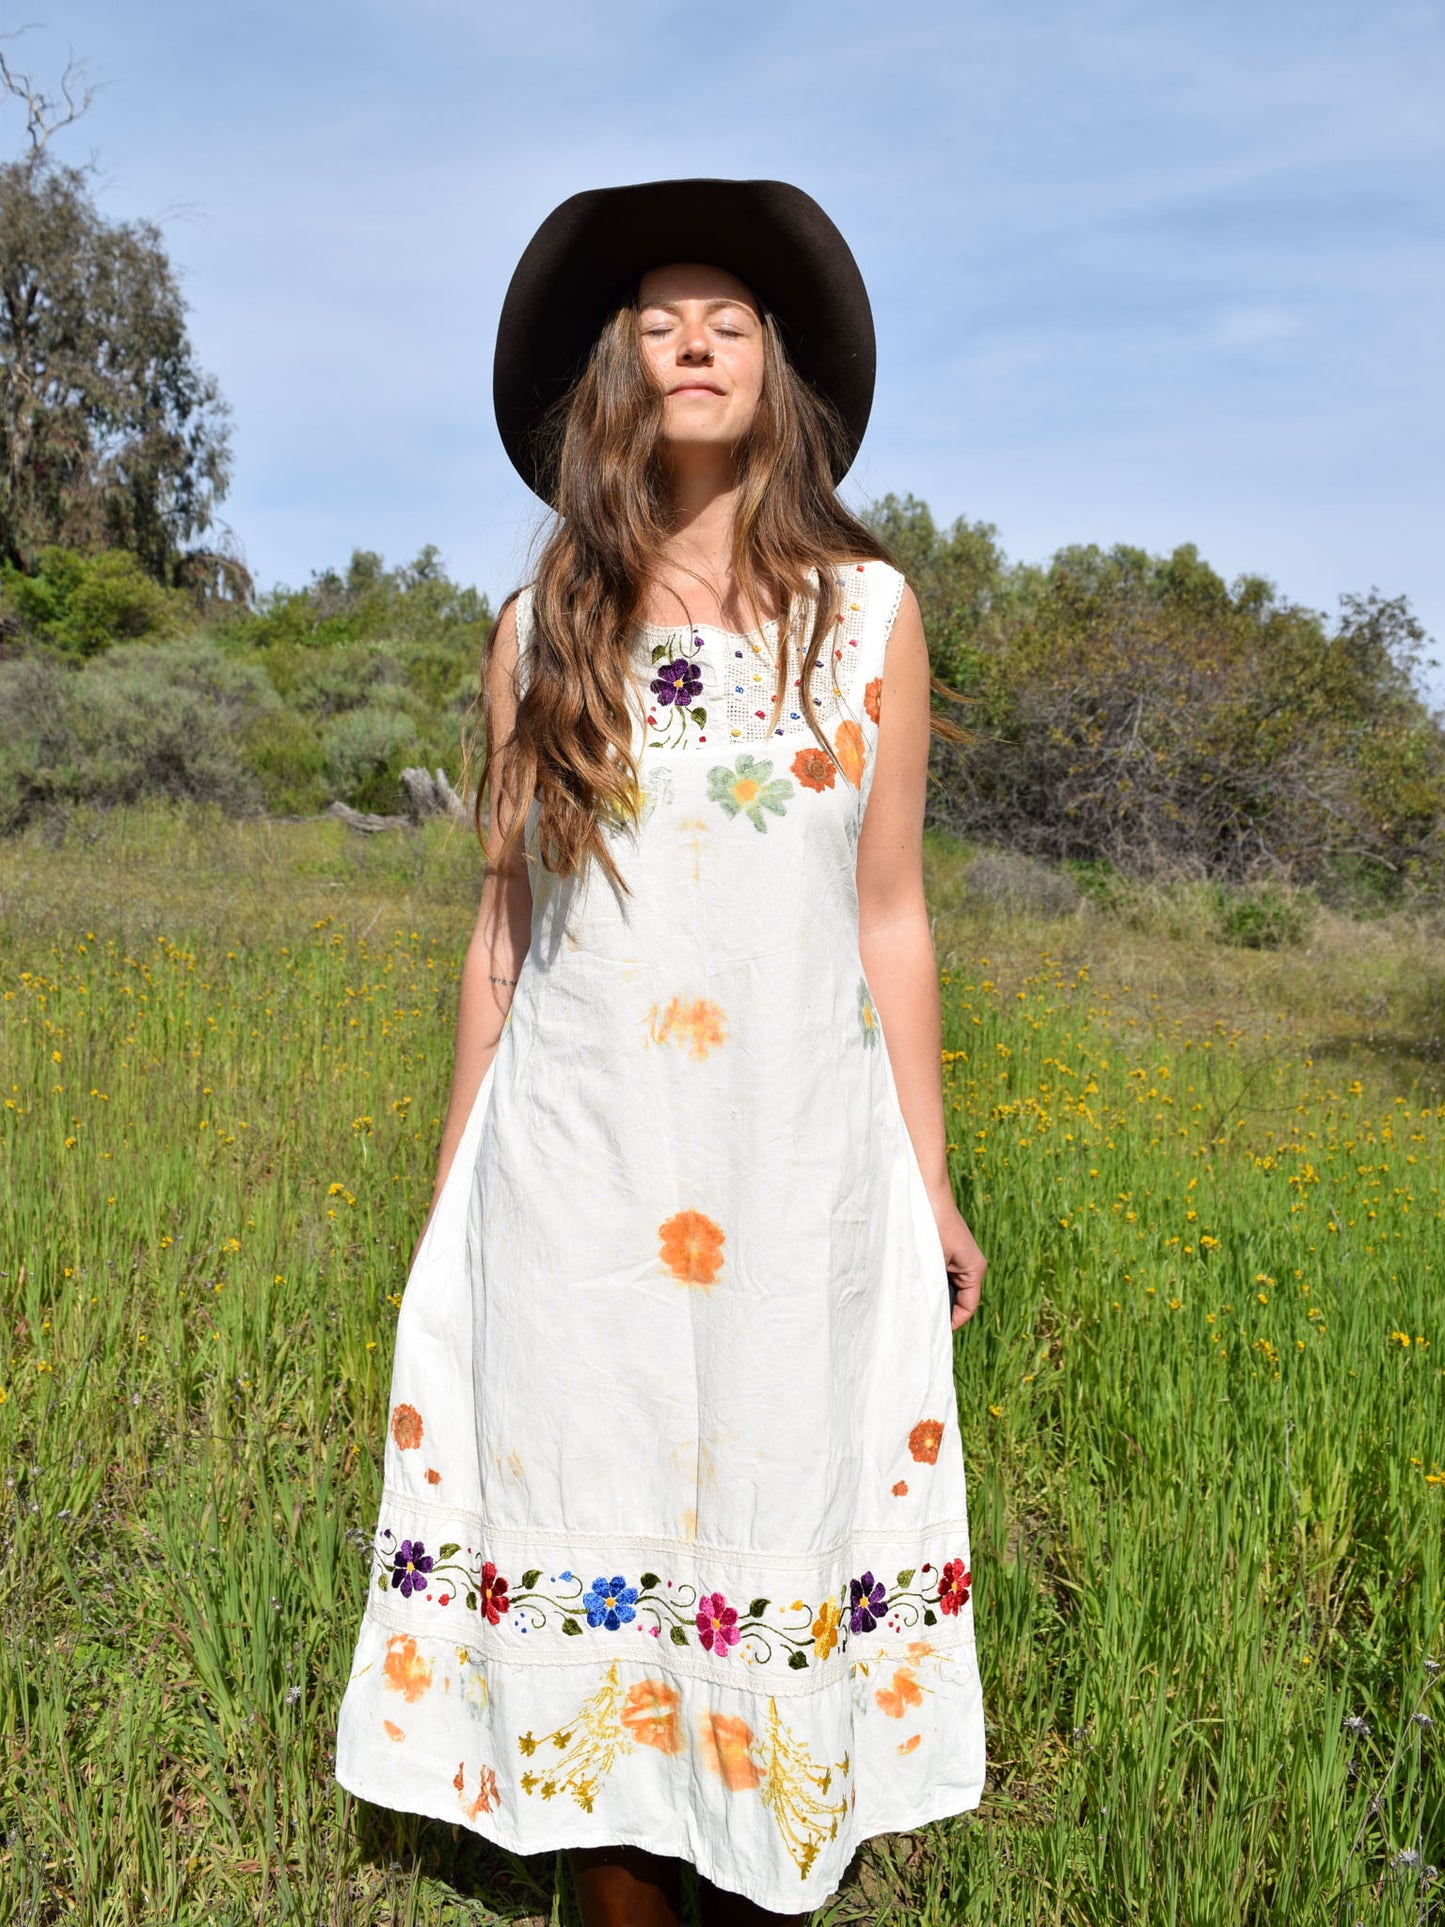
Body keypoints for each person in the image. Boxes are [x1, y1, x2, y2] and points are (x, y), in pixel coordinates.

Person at [335, 178, 988, 1924]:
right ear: (615, 380)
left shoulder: (866, 618)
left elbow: (892, 917)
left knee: (781, 1499)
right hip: (575, 1164)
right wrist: (450, 1186)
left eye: (729, 324)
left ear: (777, 375)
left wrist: (930, 1182)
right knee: (594, 1496)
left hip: (793, 1172)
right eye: (657, 325)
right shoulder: (541, 631)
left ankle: (764, 1853)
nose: (693, 348)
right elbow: (502, 928)